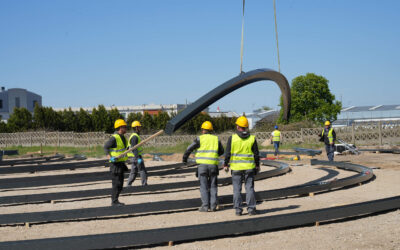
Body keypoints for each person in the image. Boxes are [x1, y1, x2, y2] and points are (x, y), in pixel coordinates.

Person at [182, 121, 224, 212]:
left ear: (203, 130)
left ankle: (205, 206)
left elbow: (189, 148)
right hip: (213, 165)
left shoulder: (199, 139)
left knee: (203, 186)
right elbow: (221, 151)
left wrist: (185, 159)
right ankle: (213, 206)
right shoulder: (216, 139)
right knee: (213, 186)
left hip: (202, 166)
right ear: (211, 130)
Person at [224, 116, 260, 216]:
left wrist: (225, 164)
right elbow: (256, 154)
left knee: (237, 190)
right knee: (249, 188)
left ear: (238, 126)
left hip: (236, 168)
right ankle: (251, 209)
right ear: (246, 127)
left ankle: (238, 210)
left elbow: (227, 153)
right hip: (249, 168)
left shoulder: (232, 138)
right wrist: (257, 165)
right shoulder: (252, 138)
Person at [104, 119, 129, 206]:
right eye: (124, 127)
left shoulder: (123, 138)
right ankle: (114, 201)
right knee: (116, 183)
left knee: (120, 184)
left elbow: (125, 149)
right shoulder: (114, 138)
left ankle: (116, 200)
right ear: (120, 127)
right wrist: (110, 158)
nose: (126, 128)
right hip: (115, 164)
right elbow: (106, 147)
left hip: (121, 163)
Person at [126, 121, 147, 186]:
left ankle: (128, 184)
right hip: (136, 157)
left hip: (133, 157)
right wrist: (138, 157)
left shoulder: (134, 136)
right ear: (136, 128)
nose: (140, 128)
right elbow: (134, 148)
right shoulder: (134, 136)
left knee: (134, 172)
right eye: (139, 127)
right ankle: (144, 184)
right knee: (142, 170)